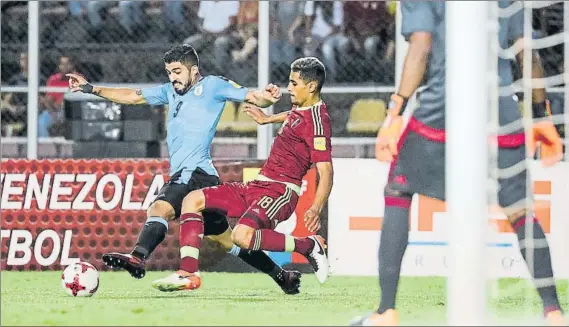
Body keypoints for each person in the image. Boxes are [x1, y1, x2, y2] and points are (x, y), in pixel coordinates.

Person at [351, 1, 565, 326]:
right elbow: (526, 51)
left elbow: (421, 46)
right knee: (520, 211)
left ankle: (386, 311)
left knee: (398, 187)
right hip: (500, 114)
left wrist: (395, 112)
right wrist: (541, 116)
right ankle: (554, 312)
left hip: (442, 111)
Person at [67, 44, 302, 295]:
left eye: (177, 71)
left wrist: (268, 96)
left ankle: (138, 257)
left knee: (159, 208)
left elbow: (253, 96)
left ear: (194, 70)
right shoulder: (170, 91)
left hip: (194, 172)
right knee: (226, 239)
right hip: (202, 176)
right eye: (169, 72)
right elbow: (133, 95)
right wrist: (90, 88)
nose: (173, 77)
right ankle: (282, 276)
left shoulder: (212, 86)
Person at [151, 57, 333, 292]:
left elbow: (326, 171)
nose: (289, 87)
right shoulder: (303, 108)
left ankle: (308, 245)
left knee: (241, 237)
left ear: (311, 86)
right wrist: (268, 119)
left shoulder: (319, 123)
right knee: (193, 199)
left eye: (294, 83)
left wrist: (316, 208)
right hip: (257, 185)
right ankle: (188, 274)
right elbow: (295, 116)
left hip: (282, 191)